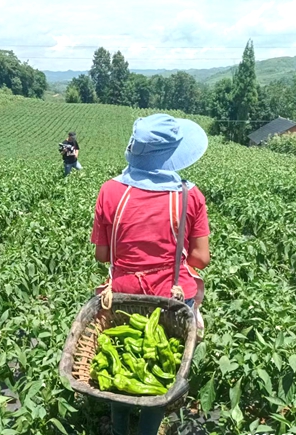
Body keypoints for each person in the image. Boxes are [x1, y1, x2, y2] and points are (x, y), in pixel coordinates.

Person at [90, 114, 211, 435]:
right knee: (164, 365)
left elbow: (102, 254)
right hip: (171, 296)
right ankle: (146, 429)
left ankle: (118, 427)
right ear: (172, 154)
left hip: (122, 292)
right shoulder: (189, 196)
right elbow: (201, 257)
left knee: (119, 354)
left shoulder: (110, 191)